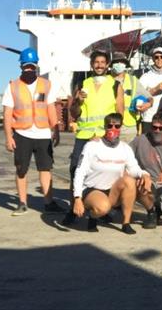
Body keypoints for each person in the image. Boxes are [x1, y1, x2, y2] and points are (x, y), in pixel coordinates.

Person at [62, 50, 122, 225]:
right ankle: (73, 208)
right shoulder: (83, 84)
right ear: (91, 65)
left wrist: (110, 134)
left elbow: (119, 113)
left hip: (105, 137)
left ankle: (99, 211)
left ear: (108, 65)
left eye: (103, 62)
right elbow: (73, 113)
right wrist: (78, 101)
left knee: (104, 172)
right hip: (84, 136)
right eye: (96, 62)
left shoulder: (115, 85)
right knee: (75, 171)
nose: (100, 65)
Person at [2, 47, 61, 216]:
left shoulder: (46, 85)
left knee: (45, 168)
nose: (29, 69)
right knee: (21, 169)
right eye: (25, 66)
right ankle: (22, 203)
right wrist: (8, 137)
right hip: (22, 134)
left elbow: (51, 108)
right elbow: (7, 113)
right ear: (20, 66)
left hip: (43, 134)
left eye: (31, 66)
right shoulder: (12, 86)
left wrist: (55, 129)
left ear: (36, 66)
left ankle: (49, 203)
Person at [71, 113, 150, 234]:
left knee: (129, 181)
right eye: (110, 126)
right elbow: (80, 171)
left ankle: (126, 223)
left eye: (117, 126)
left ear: (121, 127)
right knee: (102, 207)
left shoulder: (125, 148)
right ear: (104, 127)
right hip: (92, 189)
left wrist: (144, 174)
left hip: (112, 190)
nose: (113, 129)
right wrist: (77, 198)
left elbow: (133, 168)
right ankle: (93, 216)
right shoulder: (92, 145)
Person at [110, 53, 153, 140]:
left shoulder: (132, 80)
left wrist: (148, 104)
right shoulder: (107, 80)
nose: (119, 64)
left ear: (125, 65)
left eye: (121, 62)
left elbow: (149, 97)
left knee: (129, 152)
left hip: (129, 126)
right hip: (110, 125)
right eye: (116, 62)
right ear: (112, 65)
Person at [138, 47, 162, 134]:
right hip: (149, 118)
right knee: (148, 146)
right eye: (156, 57)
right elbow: (139, 96)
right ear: (153, 59)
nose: (159, 59)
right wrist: (155, 89)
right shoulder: (145, 77)